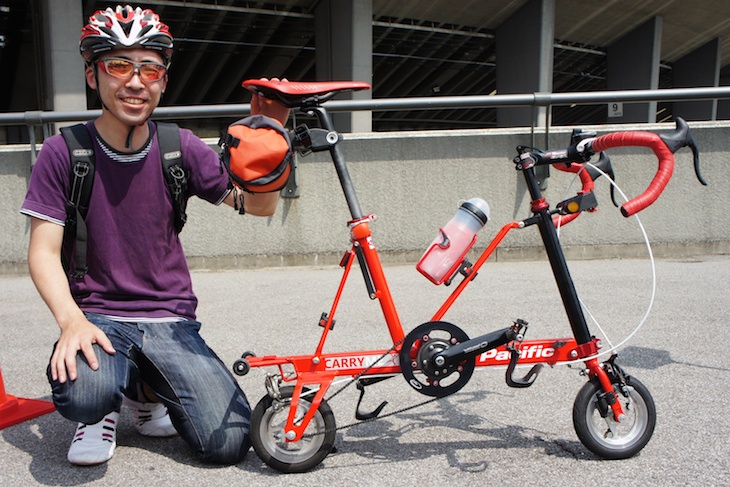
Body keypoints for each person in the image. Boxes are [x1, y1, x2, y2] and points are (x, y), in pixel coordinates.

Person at [20, 5, 290, 466]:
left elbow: (256, 206)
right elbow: (43, 252)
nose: (135, 81)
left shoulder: (178, 146)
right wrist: (71, 321)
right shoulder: (64, 151)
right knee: (87, 393)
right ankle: (101, 409)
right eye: (118, 65)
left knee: (228, 444)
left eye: (149, 68)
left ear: (163, 81)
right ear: (93, 75)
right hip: (98, 314)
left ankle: (145, 395)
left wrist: (273, 150)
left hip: (170, 317)